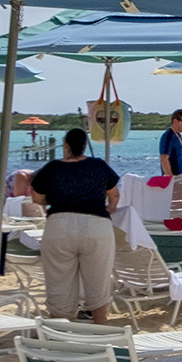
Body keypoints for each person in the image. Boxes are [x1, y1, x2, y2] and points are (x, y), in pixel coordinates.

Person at [31, 127, 121, 321]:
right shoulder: (98, 165)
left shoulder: (52, 168)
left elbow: (36, 198)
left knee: (58, 281)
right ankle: (99, 329)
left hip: (60, 224)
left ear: (66, 146)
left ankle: (61, 333)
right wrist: (109, 208)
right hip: (96, 225)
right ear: (84, 145)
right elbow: (114, 195)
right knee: (98, 281)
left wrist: (55, 201)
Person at [159, 109, 182, 178]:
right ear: (175, 121)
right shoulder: (169, 136)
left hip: (180, 179)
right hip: (174, 181)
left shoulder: (177, 135)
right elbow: (164, 158)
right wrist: (171, 180)